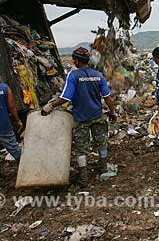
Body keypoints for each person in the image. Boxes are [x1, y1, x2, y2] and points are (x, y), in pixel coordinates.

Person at [41, 47, 117, 189]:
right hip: (97, 115)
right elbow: (107, 98)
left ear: (77, 60)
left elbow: (65, 97)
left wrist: (50, 106)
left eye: (73, 59)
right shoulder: (98, 75)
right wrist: (113, 112)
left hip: (81, 118)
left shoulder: (73, 76)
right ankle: (103, 169)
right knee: (101, 142)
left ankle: (83, 178)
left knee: (81, 148)